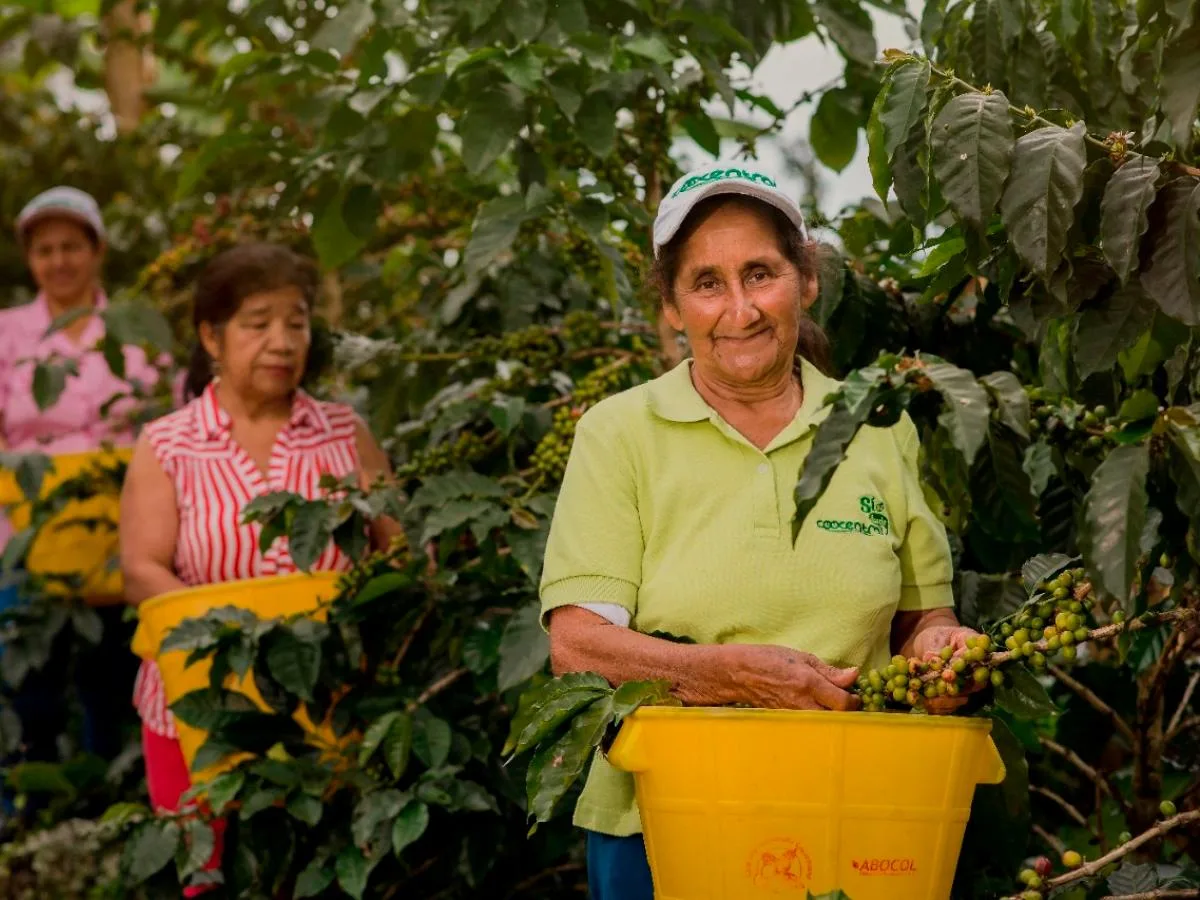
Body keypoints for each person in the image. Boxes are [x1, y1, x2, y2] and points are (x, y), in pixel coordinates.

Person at [539, 161, 981, 899]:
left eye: (760, 273)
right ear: (673, 307)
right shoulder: (619, 433)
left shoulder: (876, 424)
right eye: (706, 284)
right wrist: (730, 676)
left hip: (859, 812)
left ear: (806, 281)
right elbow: (578, 645)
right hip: (663, 821)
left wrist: (943, 647)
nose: (739, 308)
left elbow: (921, 617)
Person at [118, 242, 398, 895]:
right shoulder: (169, 443)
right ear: (211, 336)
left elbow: (401, 549)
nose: (281, 341)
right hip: (197, 712)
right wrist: (237, 637)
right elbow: (141, 569)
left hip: (330, 706)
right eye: (258, 322)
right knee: (212, 879)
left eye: (296, 322)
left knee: (320, 875)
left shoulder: (342, 430)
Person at [0, 187, 162, 781]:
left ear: (97, 251)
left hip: (126, 529)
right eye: (45, 250)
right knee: (28, 681)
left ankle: (113, 800)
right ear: (30, 260)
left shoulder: (134, 329)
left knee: (118, 678)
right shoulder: (8, 334)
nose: (59, 260)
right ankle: (27, 816)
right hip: (25, 531)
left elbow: (165, 418)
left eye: (72, 246)